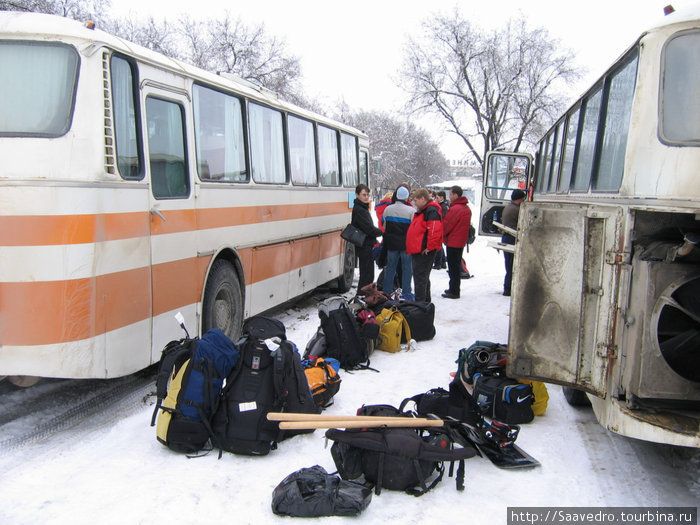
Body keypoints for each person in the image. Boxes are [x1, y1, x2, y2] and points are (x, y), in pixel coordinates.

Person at [406, 188, 444, 303]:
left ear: (423, 198)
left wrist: (430, 247)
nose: (414, 203)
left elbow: (434, 230)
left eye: (416, 200)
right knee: (423, 278)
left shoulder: (430, 211)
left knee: (420, 278)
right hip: (420, 249)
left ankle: (420, 304)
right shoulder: (425, 210)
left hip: (424, 251)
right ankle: (424, 303)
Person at [381, 184, 414, 296]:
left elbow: (384, 225)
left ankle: (387, 292)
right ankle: (407, 292)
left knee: (390, 268)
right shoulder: (411, 211)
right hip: (406, 245)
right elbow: (414, 228)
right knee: (407, 268)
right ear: (407, 197)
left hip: (391, 245)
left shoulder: (387, 209)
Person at [441, 186, 472, 299]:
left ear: (455, 195)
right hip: (461, 241)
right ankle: (454, 288)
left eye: (451, 194)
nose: (449, 196)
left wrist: (442, 236)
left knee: (453, 267)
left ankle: (454, 291)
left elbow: (447, 225)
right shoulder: (466, 209)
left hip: (453, 241)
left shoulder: (455, 209)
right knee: (456, 266)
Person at [351, 184, 383, 291]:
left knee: (367, 273)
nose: (366, 197)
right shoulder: (360, 209)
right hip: (364, 244)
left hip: (365, 243)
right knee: (366, 274)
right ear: (357, 195)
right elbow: (368, 228)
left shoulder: (362, 207)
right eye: (363, 195)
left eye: (368, 195)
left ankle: (364, 296)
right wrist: (382, 232)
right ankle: (362, 296)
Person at [501, 188, 526, 296]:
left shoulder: (508, 206)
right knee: (512, 265)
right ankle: (508, 289)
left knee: (509, 264)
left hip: (506, 237)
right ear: (519, 199)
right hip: (512, 238)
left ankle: (508, 288)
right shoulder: (517, 210)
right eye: (523, 199)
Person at [433, 191, 449, 270]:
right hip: (441, 227)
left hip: (440, 227)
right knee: (440, 245)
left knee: (438, 245)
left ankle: (438, 263)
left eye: (437, 198)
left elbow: (443, 217)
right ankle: (442, 262)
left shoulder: (442, 206)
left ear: (442, 197)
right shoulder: (444, 205)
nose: (436, 199)